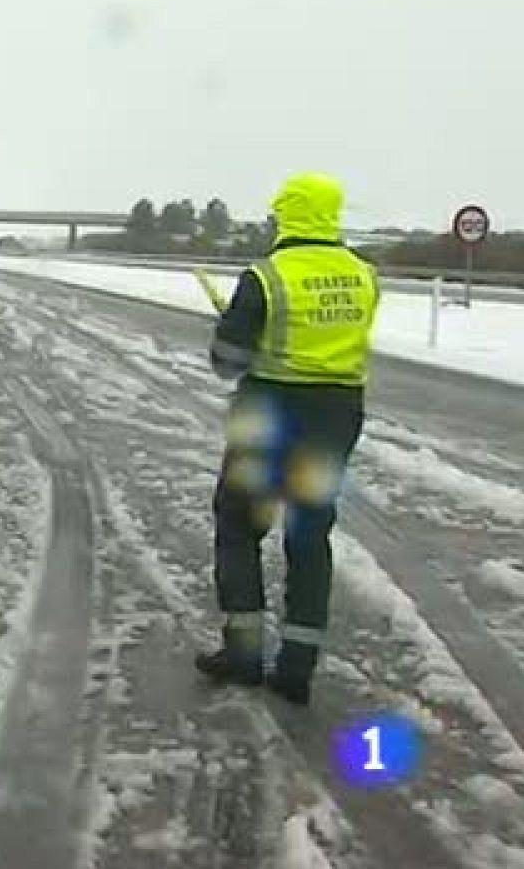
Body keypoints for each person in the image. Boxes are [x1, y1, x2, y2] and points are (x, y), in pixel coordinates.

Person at [195, 172, 379, 707]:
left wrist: (231, 323)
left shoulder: (267, 276)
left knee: (239, 525)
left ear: (287, 216)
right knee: (308, 535)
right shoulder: (365, 274)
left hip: (269, 416)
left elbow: (226, 364)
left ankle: (245, 656)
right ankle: (297, 668)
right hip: (335, 416)